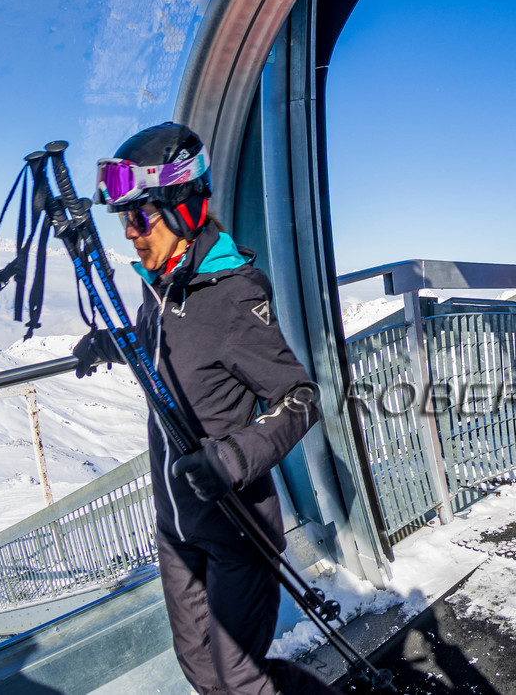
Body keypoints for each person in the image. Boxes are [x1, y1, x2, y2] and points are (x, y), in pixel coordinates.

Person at [72, 122, 336, 695]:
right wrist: (114, 343)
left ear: (181, 205)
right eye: (123, 220)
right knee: (202, 671)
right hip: (177, 525)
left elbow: (300, 397)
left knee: (240, 678)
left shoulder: (233, 294)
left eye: (140, 217)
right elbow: (172, 356)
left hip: (239, 529)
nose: (130, 234)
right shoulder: (160, 288)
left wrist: (235, 456)